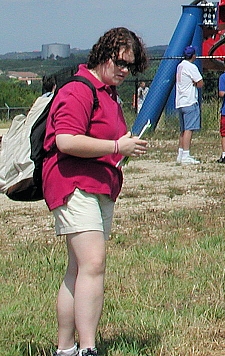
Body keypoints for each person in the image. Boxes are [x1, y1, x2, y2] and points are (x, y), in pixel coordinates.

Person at [43, 27, 149, 356]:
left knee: (79, 268)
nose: (124, 70)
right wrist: (117, 145)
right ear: (103, 55)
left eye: (130, 66)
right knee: (93, 263)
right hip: (74, 183)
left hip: (98, 185)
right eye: (120, 62)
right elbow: (66, 140)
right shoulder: (79, 90)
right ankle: (88, 347)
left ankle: (66, 347)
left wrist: (123, 147)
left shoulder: (107, 92)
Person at [174, 45, 203, 165]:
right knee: (189, 129)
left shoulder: (180, 66)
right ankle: (186, 154)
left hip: (180, 100)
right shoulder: (191, 67)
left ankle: (180, 154)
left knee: (183, 129)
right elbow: (200, 83)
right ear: (193, 55)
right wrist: (195, 84)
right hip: (189, 100)